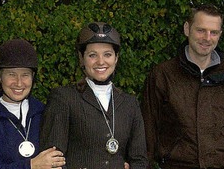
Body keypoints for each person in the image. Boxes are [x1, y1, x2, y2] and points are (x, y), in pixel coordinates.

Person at [141, 5, 224, 169]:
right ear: (187, 28)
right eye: (201, 30)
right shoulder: (163, 75)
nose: (207, 37)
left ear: (220, 35)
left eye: (213, 32)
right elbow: (147, 132)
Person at [40, 22, 148, 169]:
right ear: (81, 58)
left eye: (107, 54)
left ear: (116, 58)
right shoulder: (63, 98)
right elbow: (53, 160)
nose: (101, 61)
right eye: (92, 55)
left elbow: (139, 160)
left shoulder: (130, 103)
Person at [0, 39, 66, 169]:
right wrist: (30, 166)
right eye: (11, 75)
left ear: (33, 77)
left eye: (25, 75)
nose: (19, 83)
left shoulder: (45, 113)